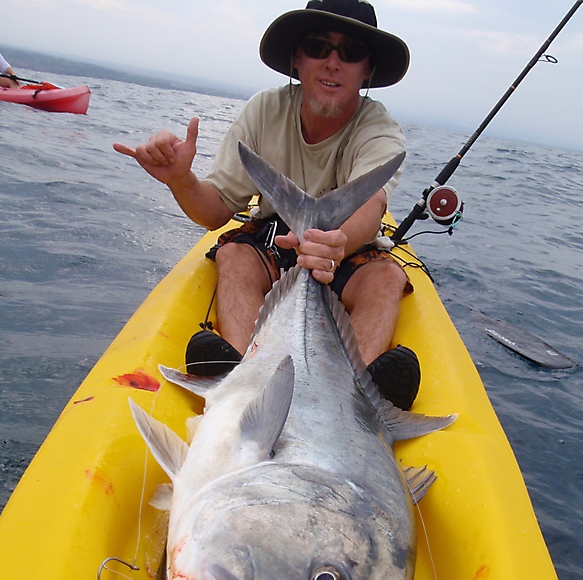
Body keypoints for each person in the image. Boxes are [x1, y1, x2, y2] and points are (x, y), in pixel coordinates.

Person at [114, 0, 421, 409]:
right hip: (274, 245)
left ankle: (354, 399)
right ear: (297, 58)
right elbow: (216, 211)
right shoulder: (264, 109)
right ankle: (242, 383)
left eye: (350, 52)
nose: (333, 62)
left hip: (343, 252)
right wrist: (181, 180)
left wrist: (335, 242)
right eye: (318, 46)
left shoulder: (378, 129)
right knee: (236, 256)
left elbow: (372, 203)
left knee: (385, 280)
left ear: (367, 69)